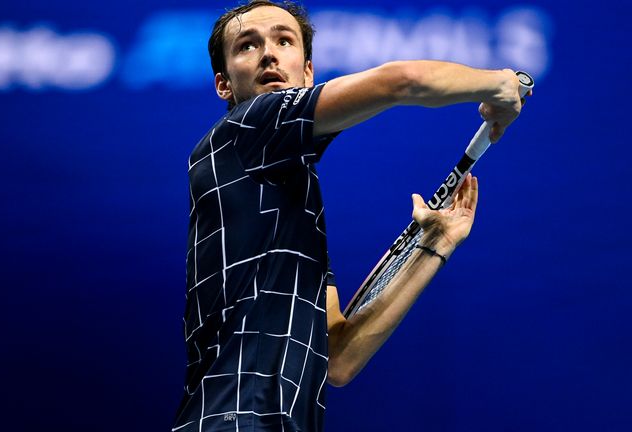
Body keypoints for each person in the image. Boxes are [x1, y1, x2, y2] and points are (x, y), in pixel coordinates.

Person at [174, 1, 527, 431]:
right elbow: (403, 81)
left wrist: (432, 247)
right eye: (247, 46)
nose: (268, 53)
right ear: (224, 85)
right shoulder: (244, 129)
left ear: (307, 73)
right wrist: (500, 85)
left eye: (284, 41)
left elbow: (339, 355)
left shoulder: (287, 204)